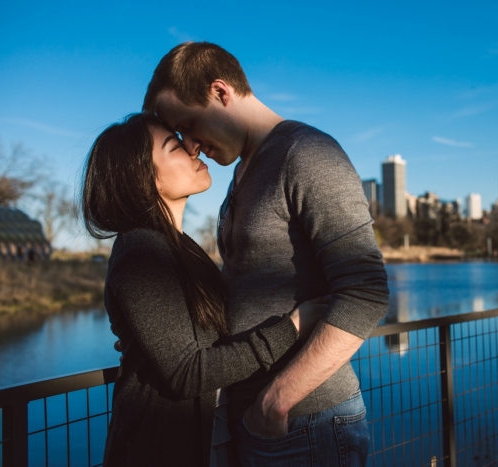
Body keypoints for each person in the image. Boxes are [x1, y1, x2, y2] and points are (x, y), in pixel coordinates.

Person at [143, 42, 390, 466]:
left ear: (221, 92)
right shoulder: (241, 172)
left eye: (189, 123)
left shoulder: (306, 154)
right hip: (255, 420)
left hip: (303, 422)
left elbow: (366, 292)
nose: (191, 146)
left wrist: (276, 401)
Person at [81, 113, 327, 467]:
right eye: (176, 147)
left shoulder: (181, 247)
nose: (193, 151)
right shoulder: (140, 251)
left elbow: (204, 336)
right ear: (145, 179)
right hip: (158, 449)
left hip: (206, 437)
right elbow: (186, 373)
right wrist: (291, 329)